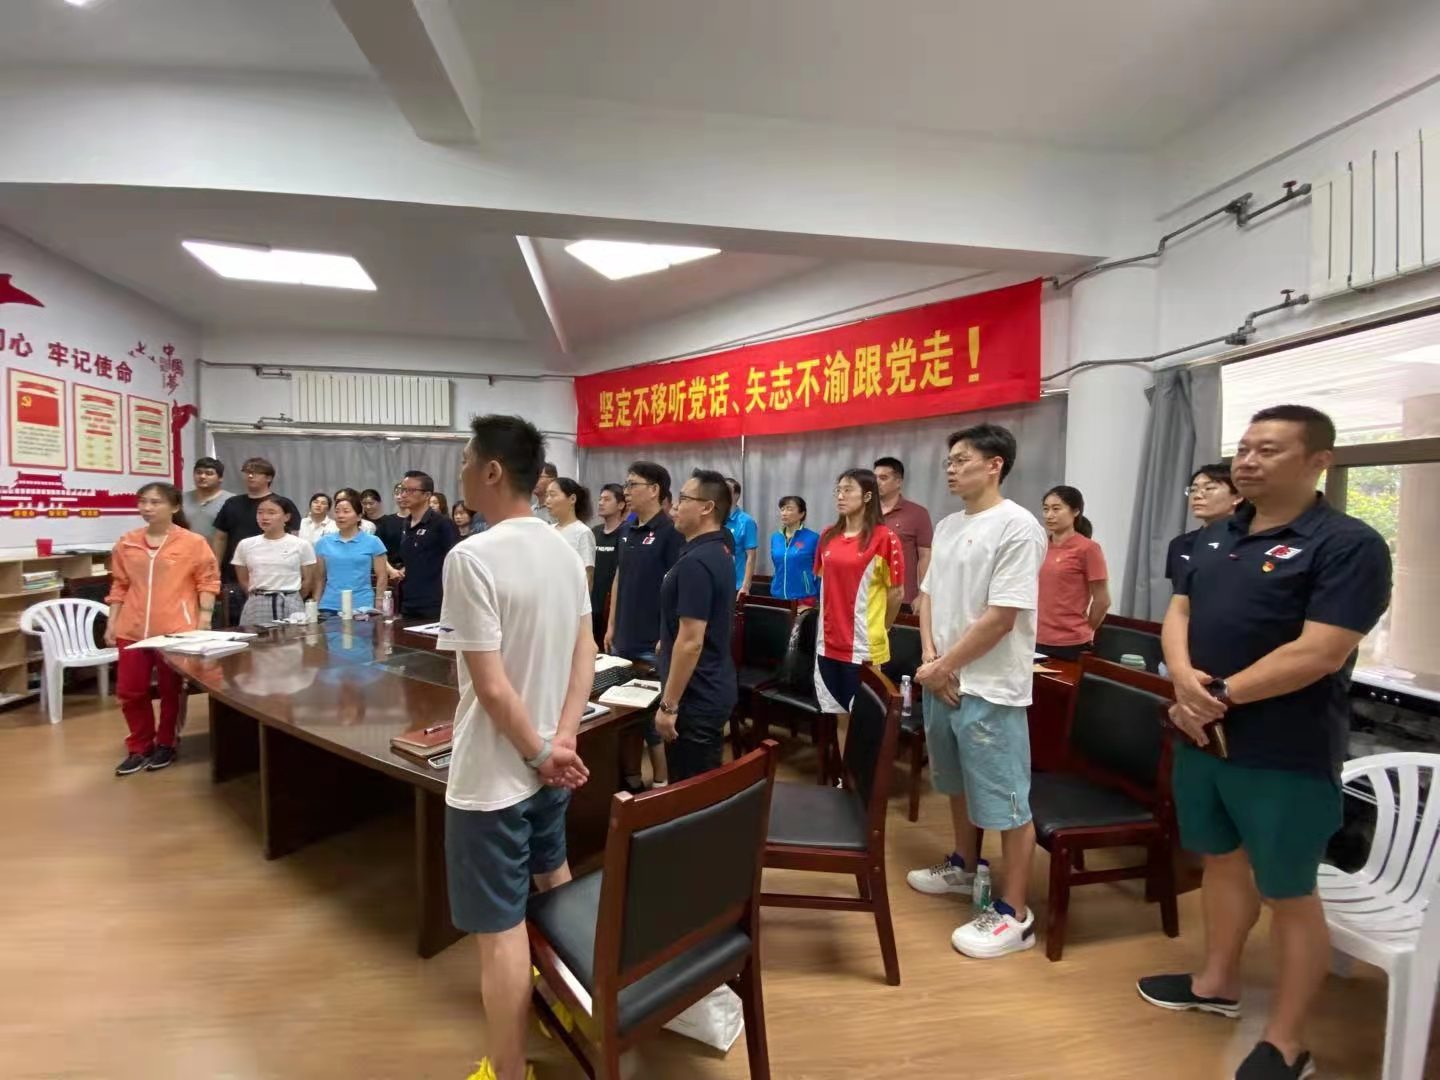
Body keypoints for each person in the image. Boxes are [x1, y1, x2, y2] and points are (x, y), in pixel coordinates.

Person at [1138, 405, 1391, 1080]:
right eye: (1244, 448)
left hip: (1284, 751)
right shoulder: (1216, 535)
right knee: (1220, 862)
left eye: (1268, 450)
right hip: (1203, 738)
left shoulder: (1348, 545)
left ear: (1318, 462)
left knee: (1288, 892)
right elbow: (1180, 612)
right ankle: (1216, 983)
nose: (1247, 461)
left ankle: (1286, 1041)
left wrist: (1214, 696)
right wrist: (1185, 683)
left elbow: (1320, 651)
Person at [436, 415, 594, 1080]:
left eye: (467, 461)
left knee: (499, 933)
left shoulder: (472, 556)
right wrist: (563, 740)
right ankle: (569, 1013)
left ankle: (506, 1070)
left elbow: (493, 687)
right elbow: (586, 651)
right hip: (550, 764)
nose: (461, 473)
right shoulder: (565, 549)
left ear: (493, 471)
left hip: (494, 779)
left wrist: (536, 752)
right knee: (553, 882)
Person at [906, 423, 1048, 960]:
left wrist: (944, 667)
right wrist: (931, 659)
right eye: (948, 460)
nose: (950, 468)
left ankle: (1014, 913)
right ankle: (965, 866)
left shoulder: (1018, 526)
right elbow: (927, 598)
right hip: (942, 680)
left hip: (990, 689)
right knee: (957, 783)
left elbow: (1002, 617)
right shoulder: (947, 525)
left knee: (1007, 803)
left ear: (995, 465)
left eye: (962, 459)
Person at [104, 482, 220, 776]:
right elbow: (119, 585)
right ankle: (139, 745)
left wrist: (204, 622)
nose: (147, 508)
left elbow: (207, 582)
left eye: (155, 502)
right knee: (130, 691)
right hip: (131, 629)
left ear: (175, 506)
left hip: (175, 630)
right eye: (143, 501)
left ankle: (166, 742)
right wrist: (112, 621)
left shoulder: (192, 542)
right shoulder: (127, 542)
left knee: (171, 691)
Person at [656, 469, 738, 781]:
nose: (675, 507)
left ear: (707, 507)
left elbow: (691, 642)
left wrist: (669, 706)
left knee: (691, 788)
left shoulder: (697, 562)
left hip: (696, 695)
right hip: (711, 683)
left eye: (683, 499)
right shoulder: (716, 549)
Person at [605, 460, 682, 790]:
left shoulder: (671, 532)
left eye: (632, 484)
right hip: (624, 636)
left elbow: (677, 588)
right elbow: (619, 578)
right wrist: (611, 625)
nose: (626, 491)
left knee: (653, 719)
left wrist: (668, 633)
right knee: (623, 715)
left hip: (654, 641)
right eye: (626, 484)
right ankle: (632, 778)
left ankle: (662, 783)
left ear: (654, 490)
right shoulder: (626, 530)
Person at [813, 468, 904, 724]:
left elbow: (896, 594)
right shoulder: (828, 535)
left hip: (863, 646)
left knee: (863, 722)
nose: (840, 496)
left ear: (867, 496)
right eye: (838, 490)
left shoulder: (885, 538)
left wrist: (882, 628)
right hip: (827, 643)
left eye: (848, 490)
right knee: (840, 717)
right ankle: (844, 755)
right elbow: (825, 584)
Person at [210, 457, 300, 625]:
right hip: (235, 575)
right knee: (239, 628)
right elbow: (220, 537)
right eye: (247, 472)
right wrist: (215, 567)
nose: (250, 476)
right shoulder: (232, 503)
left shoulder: (282, 503)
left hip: (274, 582)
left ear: (269, 477)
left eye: (256, 472)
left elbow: (295, 537)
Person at [1036, 485, 1110, 660]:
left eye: (1056, 509)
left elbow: (1102, 600)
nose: (1049, 515)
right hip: (1035, 637)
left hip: (1071, 643)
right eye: (1046, 509)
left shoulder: (1088, 548)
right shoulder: (1040, 546)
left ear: (1075, 511)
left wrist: (1087, 629)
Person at [232, 495, 317, 627]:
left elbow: (308, 580)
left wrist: (292, 597)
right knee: (256, 639)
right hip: (257, 602)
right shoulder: (246, 544)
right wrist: (258, 597)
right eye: (260, 512)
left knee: (293, 639)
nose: (264, 517)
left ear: (286, 517)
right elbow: (243, 579)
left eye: (271, 513)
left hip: (290, 601)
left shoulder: (301, 545)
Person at [394, 470, 460, 620]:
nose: (404, 495)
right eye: (402, 490)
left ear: (427, 495)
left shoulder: (442, 523)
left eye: (411, 490)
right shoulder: (406, 524)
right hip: (408, 602)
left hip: (435, 604)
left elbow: (455, 563)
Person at [1166, 464, 1243, 589]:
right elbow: (1179, 592)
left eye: (1209, 488)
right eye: (1193, 490)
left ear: (1238, 496)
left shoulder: (1249, 541)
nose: (1197, 496)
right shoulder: (1180, 544)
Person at [314, 489, 389, 614]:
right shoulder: (323, 542)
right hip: (329, 605)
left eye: (346, 511)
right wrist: (315, 603)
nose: (340, 515)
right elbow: (319, 579)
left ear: (359, 516)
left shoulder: (373, 542)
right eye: (337, 511)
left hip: (362, 606)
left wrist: (379, 601)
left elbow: (382, 576)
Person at [875, 456, 934, 607]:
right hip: (867, 598)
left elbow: (925, 556)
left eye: (883, 478)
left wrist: (922, 595)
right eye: (874, 478)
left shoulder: (917, 513)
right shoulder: (865, 513)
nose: (877, 482)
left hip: (902, 598)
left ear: (898, 481)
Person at [590, 482, 626, 645]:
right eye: (600, 499)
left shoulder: (626, 533)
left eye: (606, 499)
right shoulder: (594, 532)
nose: (600, 503)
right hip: (592, 604)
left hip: (612, 606)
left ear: (621, 505)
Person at [546, 477, 596, 590]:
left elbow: (587, 577)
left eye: (552, 495)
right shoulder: (548, 530)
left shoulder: (583, 532)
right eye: (547, 495)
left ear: (572, 499)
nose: (547, 501)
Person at [769, 495, 819, 603]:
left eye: (789, 509)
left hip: (803, 597)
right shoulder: (775, 537)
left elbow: (820, 571)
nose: (784, 513)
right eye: (782, 509)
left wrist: (818, 599)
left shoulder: (813, 538)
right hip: (777, 596)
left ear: (802, 514)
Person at [182, 456, 233, 542]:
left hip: (218, 549)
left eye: (209, 473)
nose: (202, 476)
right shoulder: (182, 498)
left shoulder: (231, 501)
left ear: (220, 478)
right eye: (198, 472)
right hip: (186, 548)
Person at [723, 477, 759, 596]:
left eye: (727, 490)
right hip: (716, 583)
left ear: (736, 495)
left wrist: (745, 586)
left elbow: (751, 556)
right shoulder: (715, 519)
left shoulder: (746, 521)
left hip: (736, 585)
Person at [362, 486, 406, 564]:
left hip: (393, 562)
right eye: (364, 504)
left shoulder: (390, 521)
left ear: (379, 502)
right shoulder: (360, 522)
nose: (368, 506)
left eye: (371, 503)